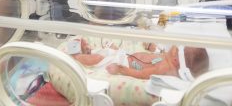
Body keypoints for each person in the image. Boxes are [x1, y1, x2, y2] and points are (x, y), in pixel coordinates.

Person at [69, 38, 209, 80]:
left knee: (98, 59)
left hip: (123, 62)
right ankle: (89, 51)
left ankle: (77, 56)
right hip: (125, 55)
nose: (176, 44)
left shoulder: (164, 68)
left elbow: (142, 74)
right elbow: (158, 53)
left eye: (178, 47)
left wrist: (121, 69)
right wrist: (151, 47)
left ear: (176, 60)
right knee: (106, 52)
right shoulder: (168, 57)